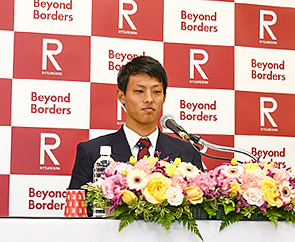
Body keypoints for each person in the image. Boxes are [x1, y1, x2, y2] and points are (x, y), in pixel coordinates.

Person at [68, 55, 203, 189]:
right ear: (121, 96)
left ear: (164, 97)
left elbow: (201, 207)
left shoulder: (188, 153)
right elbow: (77, 208)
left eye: (156, 91)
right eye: (139, 91)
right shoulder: (92, 153)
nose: (149, 99)